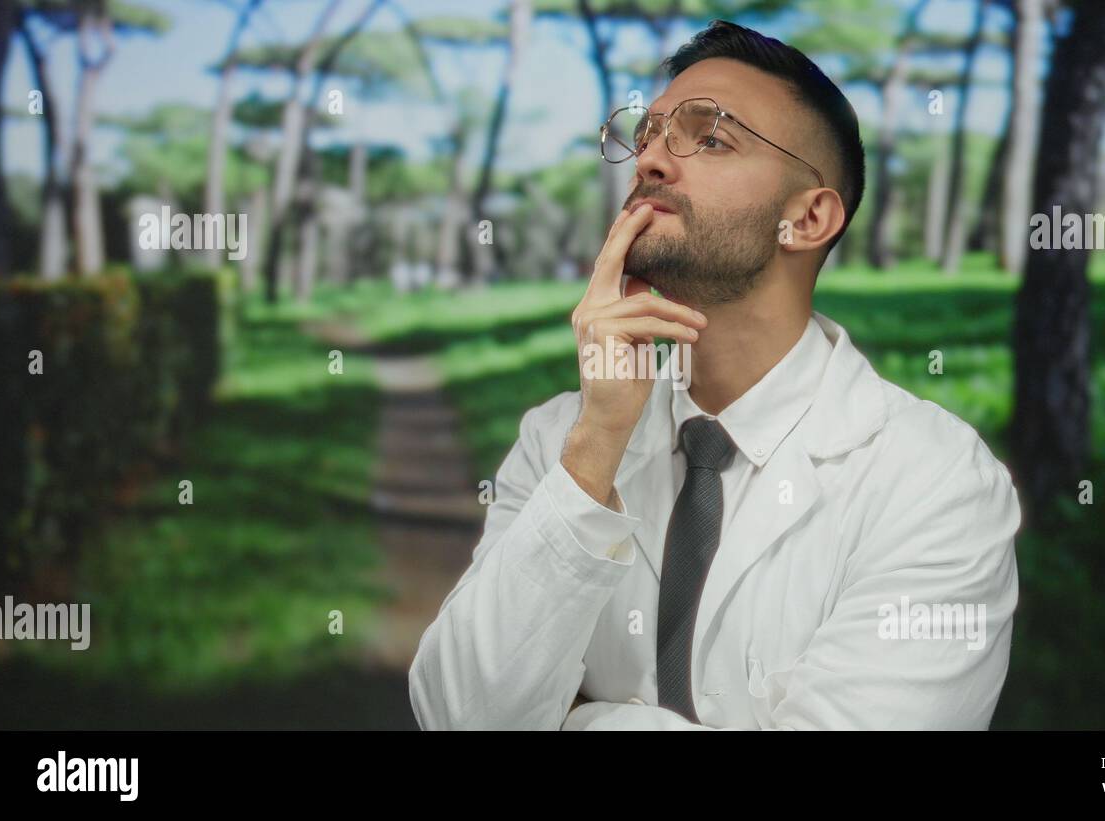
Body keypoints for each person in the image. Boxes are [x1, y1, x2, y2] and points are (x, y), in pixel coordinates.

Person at [409, 19, 1020, 730]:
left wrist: (575, 718)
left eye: (710, 138)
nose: (652, 162)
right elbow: (457, 715)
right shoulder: (560, 441)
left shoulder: (933, 479)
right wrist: (599, 441)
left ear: (809, 216)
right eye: (648, 136)